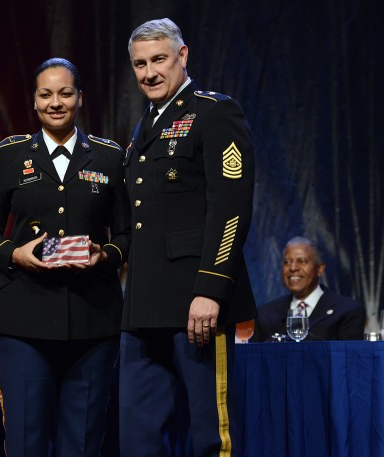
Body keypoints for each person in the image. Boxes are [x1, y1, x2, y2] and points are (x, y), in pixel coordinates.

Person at [0, 57, 131, 457]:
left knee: (82, 442)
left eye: (64, 93)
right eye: (46, 94)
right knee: (26, 439)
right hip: (22, 318)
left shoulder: (109, 156)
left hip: (93, 316)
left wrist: (105, 255)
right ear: (35, 100)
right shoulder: (11, 155)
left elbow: (129, 234)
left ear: (79, 98)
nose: (55, 102)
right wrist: (14, 253)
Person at [120, 18, 256, 456]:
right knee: (138, 437)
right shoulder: (144, 127)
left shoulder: (214, 112)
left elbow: (230, 208)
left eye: (159, 59)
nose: (149, 72)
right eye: (140, 64)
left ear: (183, 55)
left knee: (210, 434)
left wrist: (211, 289)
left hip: (196, 304)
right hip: (143, 308)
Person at [253, 236, 365, 342]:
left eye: (302, 261)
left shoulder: (348, 312)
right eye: (287, 262)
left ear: (320, 269)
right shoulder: (264, 315)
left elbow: (348, 359)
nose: (293, 268)